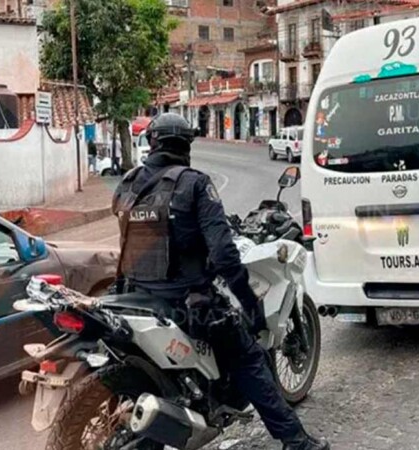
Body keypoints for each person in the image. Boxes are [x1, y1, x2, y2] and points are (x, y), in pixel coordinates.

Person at [111, 113, 329, 450]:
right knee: (249, 358)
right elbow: (226, 256)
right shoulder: (195, 184)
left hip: (137, 298)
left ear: (151, 142)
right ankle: (296, 440)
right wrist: (251, 306)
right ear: (186, 144)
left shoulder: (128, 184)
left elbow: (128, 241)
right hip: (186, 304)